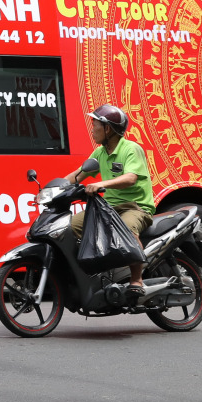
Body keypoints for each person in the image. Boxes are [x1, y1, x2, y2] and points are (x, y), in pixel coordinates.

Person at [67, 104, 154, 300]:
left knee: (127, 228)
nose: (92, 130)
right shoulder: (100, 153)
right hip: (108, 208)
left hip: (136, 207)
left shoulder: (131, 149)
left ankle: (136, 279)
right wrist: (52, 188)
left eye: (95, 125)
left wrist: (101, 183)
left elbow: (131, 178)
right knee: (68, 227)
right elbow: (78, 175)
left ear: (107, 129)